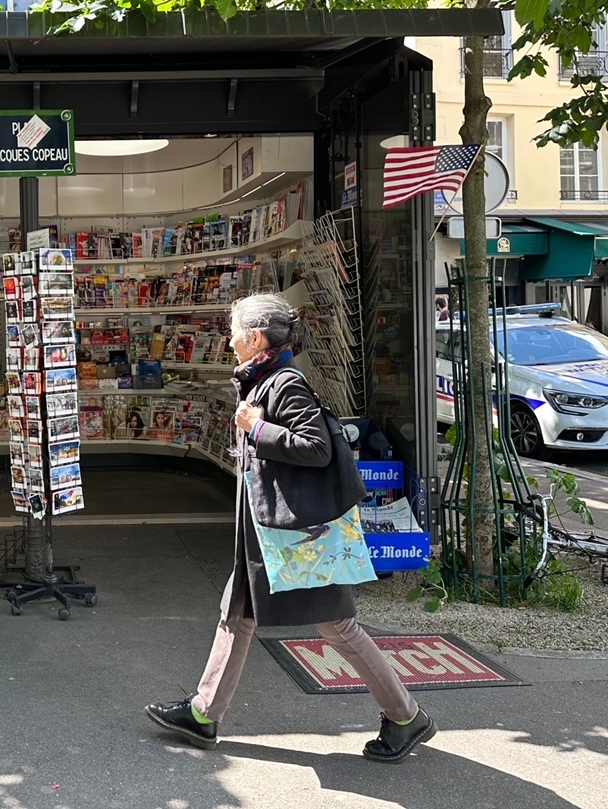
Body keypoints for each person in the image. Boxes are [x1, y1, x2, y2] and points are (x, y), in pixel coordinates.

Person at [145, 292, 436, 763]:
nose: (229, 338)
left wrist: (258, 429)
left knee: (337, 625)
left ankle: (406, 717)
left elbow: (316, 449)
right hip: (271, 535)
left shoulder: (283, 384)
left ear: (256, 337)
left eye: (235, 329)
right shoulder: (263, 380)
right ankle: (203, 715)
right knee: (237, 614)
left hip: (295, 537)